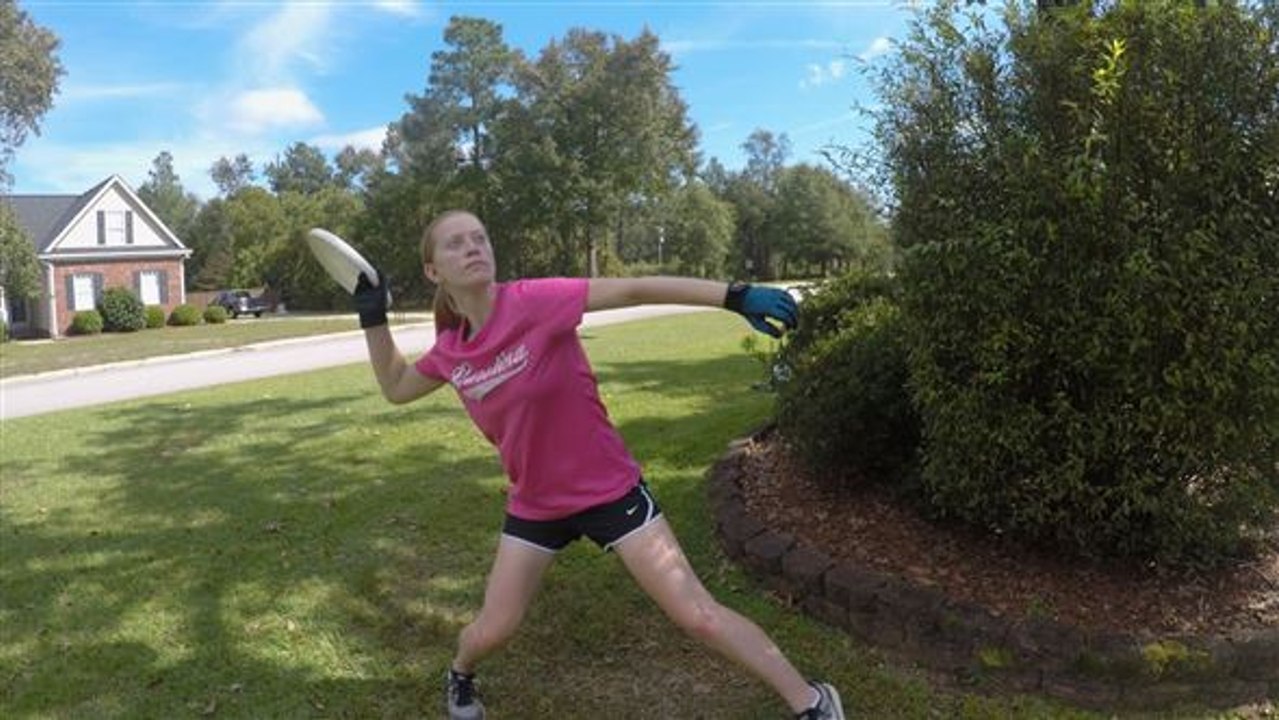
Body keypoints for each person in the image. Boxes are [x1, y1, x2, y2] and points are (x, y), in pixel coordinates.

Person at [353, 209, 845, 720]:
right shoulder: (451, 353)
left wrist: (734, 295)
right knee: (493, 630)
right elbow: (396, 387)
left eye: (480, 238)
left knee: (697, 615)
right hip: (536, 505)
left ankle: (812, 702)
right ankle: (460, 674)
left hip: (610, 491)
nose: (474, 247)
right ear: (434, 271)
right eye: (455, 244)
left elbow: (634, 290)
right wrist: (372, 317)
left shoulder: (533, 302)